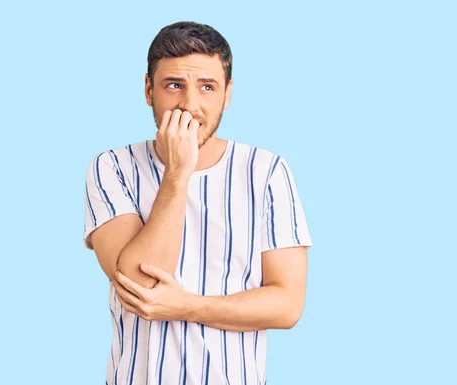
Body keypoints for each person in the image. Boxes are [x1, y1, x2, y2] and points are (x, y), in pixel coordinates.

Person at [83, 21, 312, 385]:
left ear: (228, 94)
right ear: (148, 90)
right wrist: (177, 173)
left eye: (207, 87)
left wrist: (187, 306)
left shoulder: (267, 171)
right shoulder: (112, 167)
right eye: (174, 85)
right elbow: (139, 284)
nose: (190, 105)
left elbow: (287, 305)